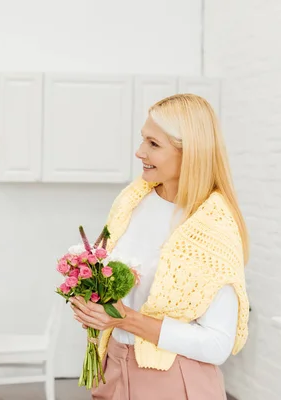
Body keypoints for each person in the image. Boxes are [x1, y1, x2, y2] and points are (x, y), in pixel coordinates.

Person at [70, 93, 250, 399]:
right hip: (113, 368)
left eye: (154, 144)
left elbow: (218, 344)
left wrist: (126, 318)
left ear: (190, 152)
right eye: (143, 140)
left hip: (174, 381)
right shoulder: (132, 201)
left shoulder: (212, 226)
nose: (140, 152)